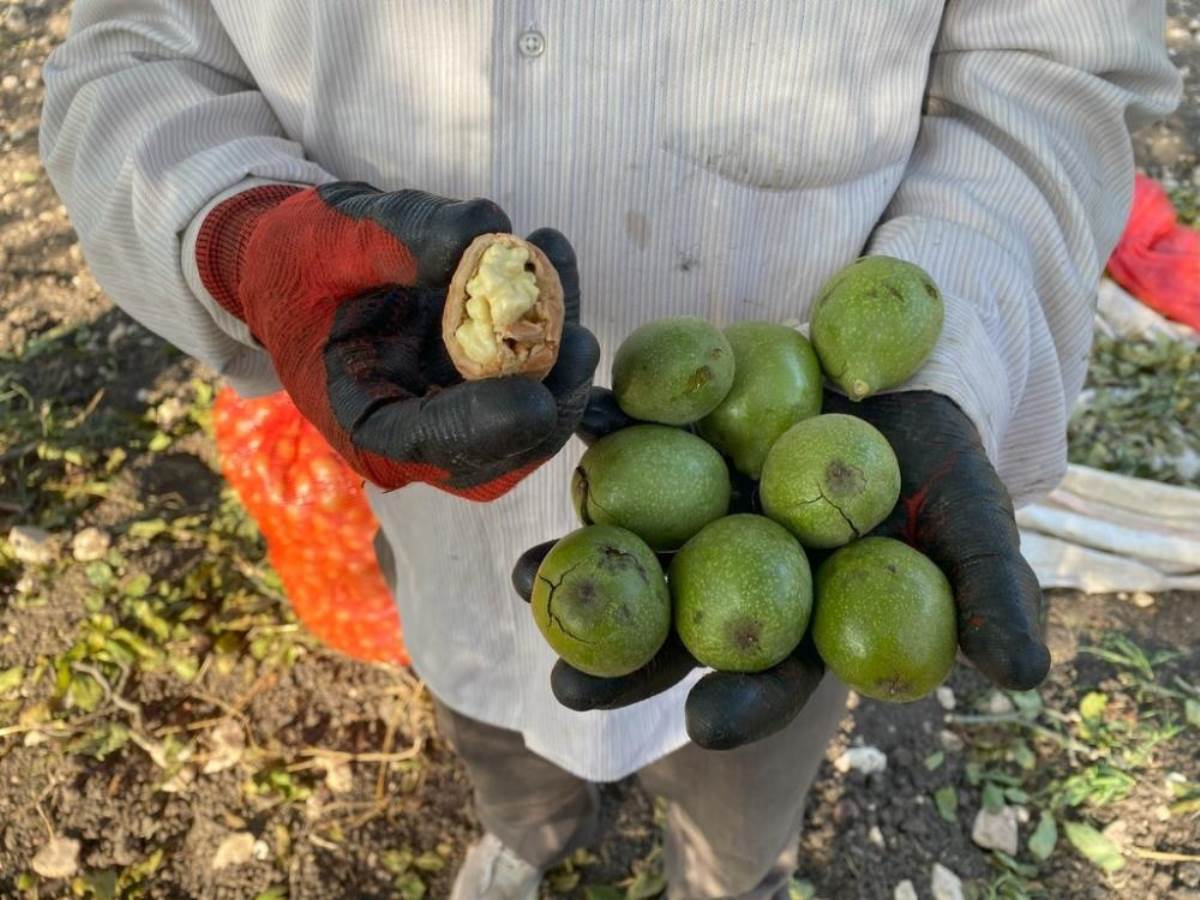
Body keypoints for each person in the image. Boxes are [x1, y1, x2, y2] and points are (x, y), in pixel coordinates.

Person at [41, 3, 1179, 897]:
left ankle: (736, 882)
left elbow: (1051, 70)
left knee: (747, 780)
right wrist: (244, 233)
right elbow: (134, 54)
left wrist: (957, 347)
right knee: (491, 713)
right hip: (431, 484)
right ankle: (524, 840)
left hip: (810, 480)